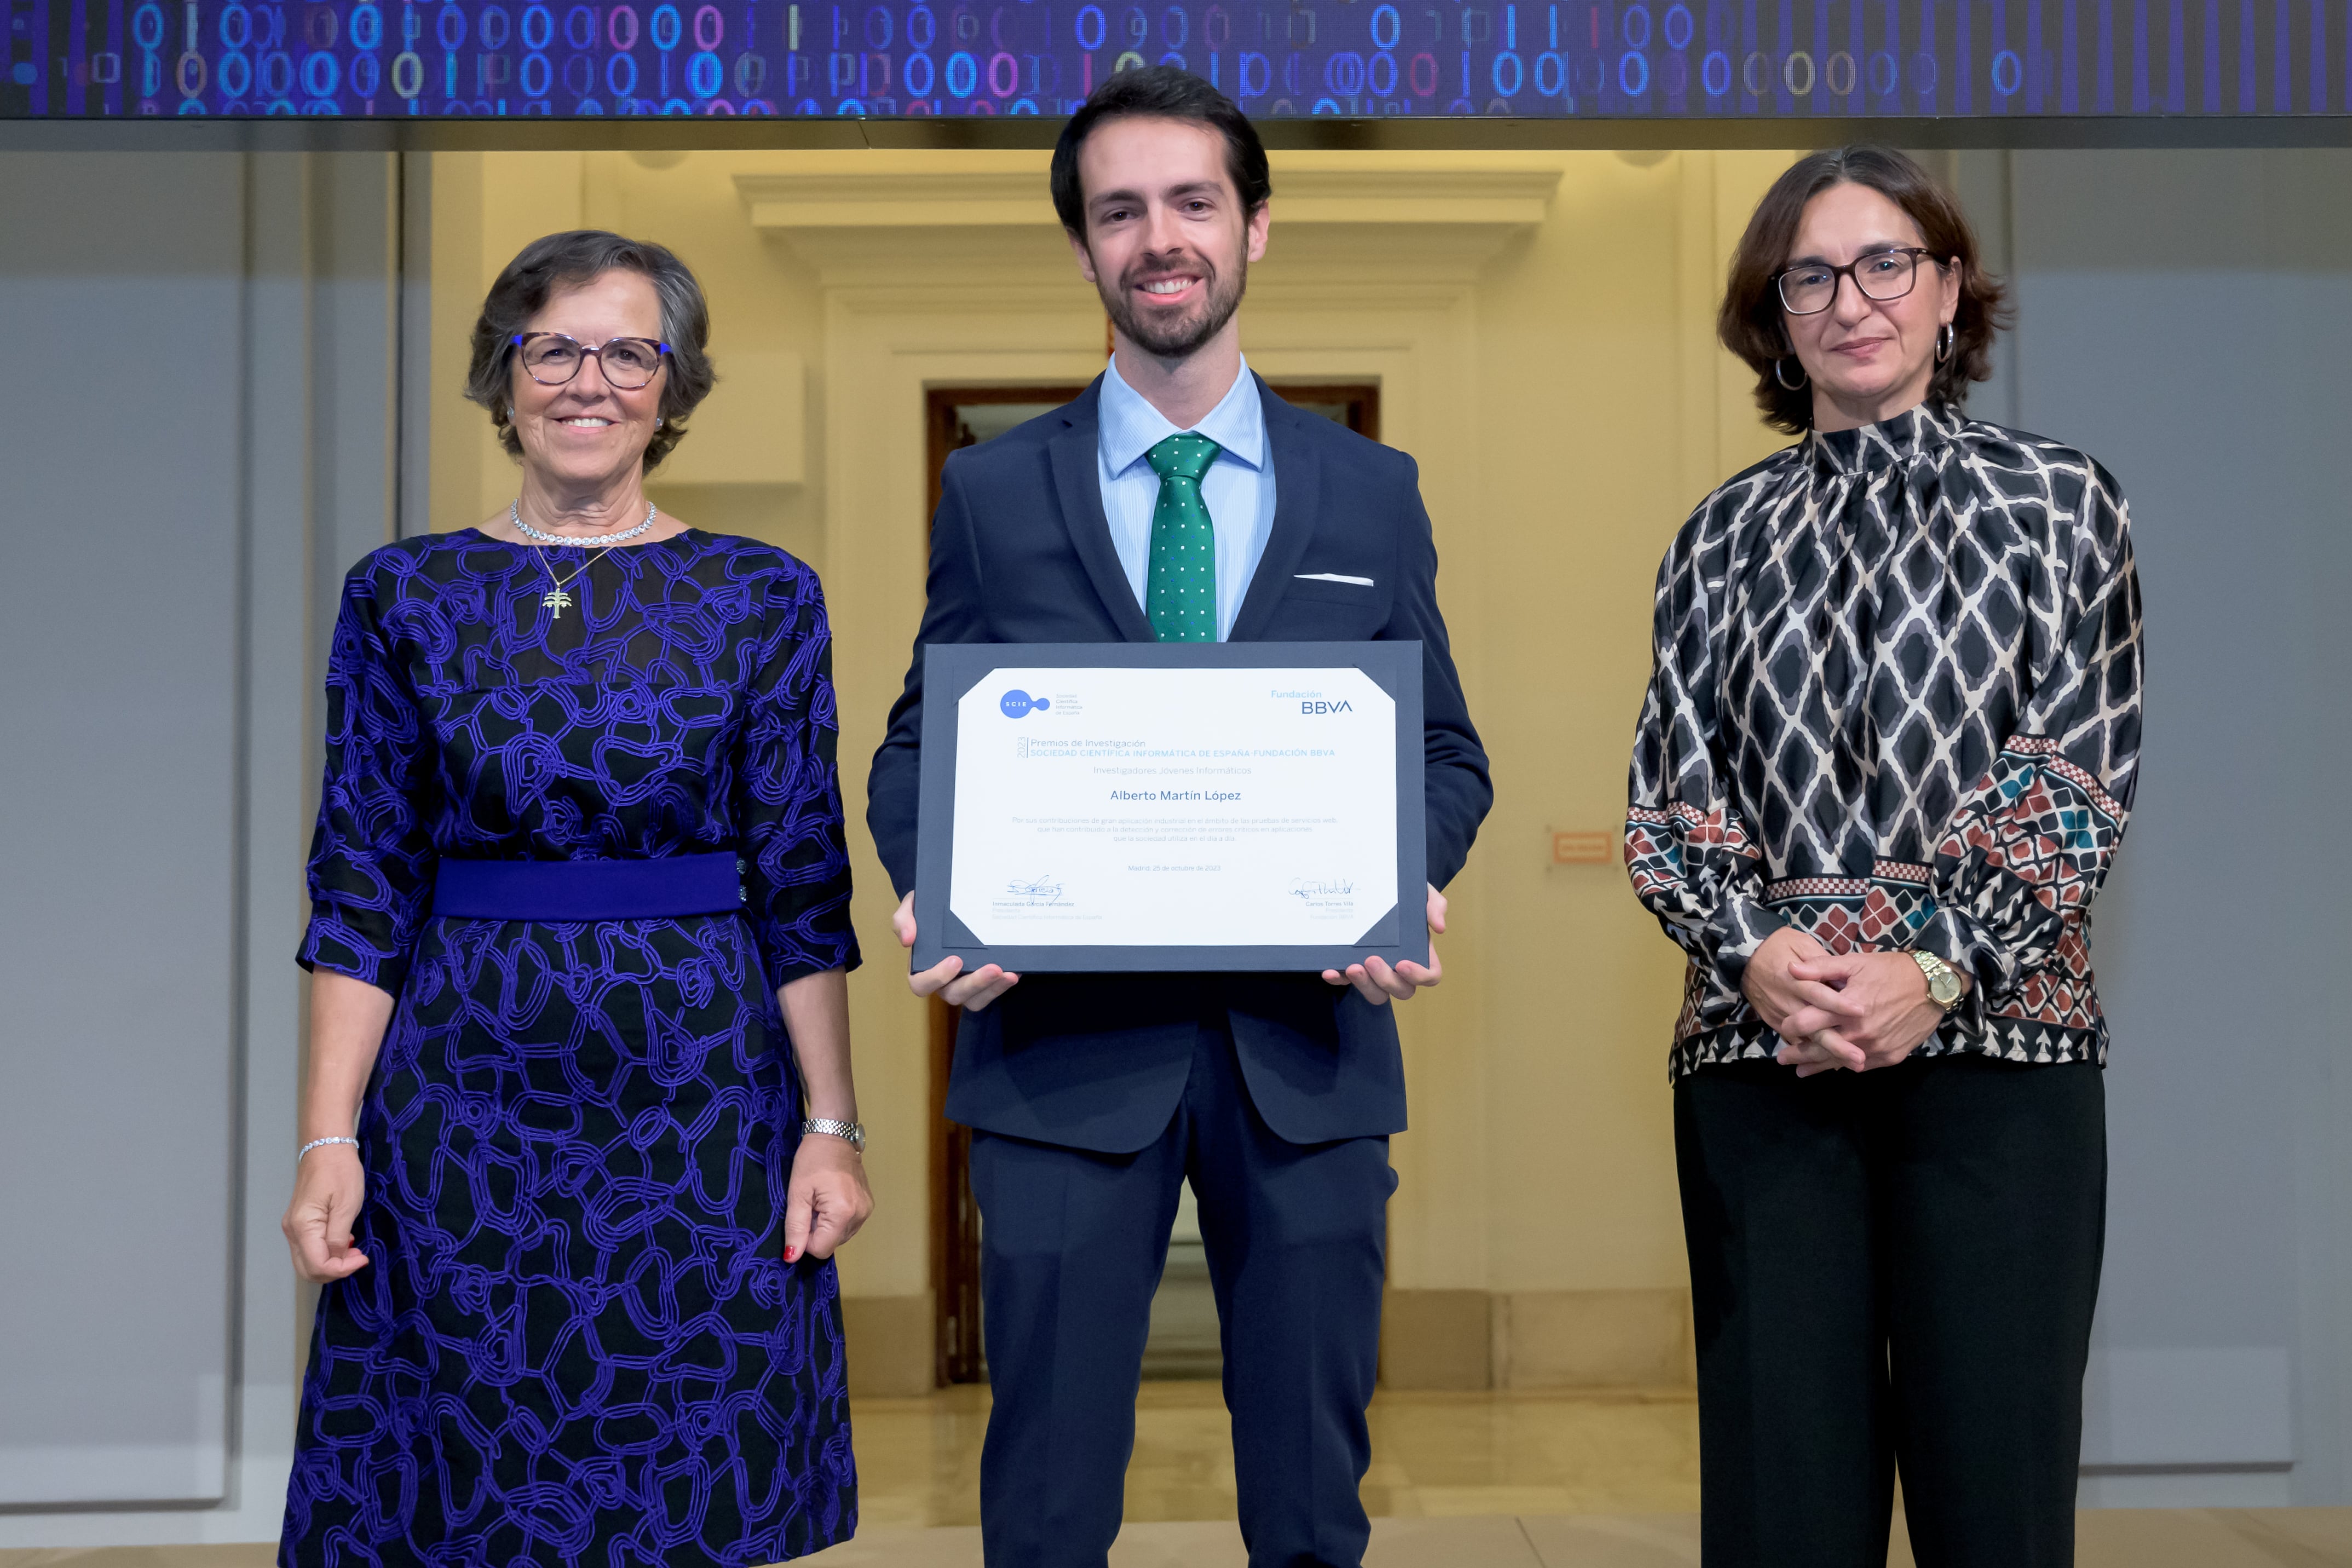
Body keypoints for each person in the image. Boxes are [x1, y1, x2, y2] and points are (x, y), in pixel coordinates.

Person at [866, 67, 1490, 1568]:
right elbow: (918, 747)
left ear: (1257, 227)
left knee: (1310, 1499)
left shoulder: (1373, 489)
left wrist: (1406, 875)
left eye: (1194, 202)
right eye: (1120, 210)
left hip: (1309, 1057)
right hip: (1061, 1060)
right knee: (1048, 1498)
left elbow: (1447, 755)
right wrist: (939, 887)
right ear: (1083, 247)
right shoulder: (992, 490)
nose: (1162, 238)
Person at [277, 230, 870, 1568]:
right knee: (462, 1477)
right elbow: (361, 882)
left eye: (627, 351)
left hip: (704, 1100)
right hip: (462, 1098)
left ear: (673, 384)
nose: (586, 380)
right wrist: (328, 1142)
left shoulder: (762, 594)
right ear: (504, 373)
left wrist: (831, 1124)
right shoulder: (403, 595)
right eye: (552, 348)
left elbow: (802, 878)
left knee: (691, 1471)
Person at [1625, 147, 2143, 1567]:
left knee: (1998, 1504)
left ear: (1950, 288)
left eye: (1886, 264)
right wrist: (1756, 952)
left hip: (2005, 1069)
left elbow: (2079, 778)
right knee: (1786, 1511)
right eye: (1811, 274)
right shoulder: (1716, 541)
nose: (1851, 300)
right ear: (1775, 315)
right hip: (1763, 1066)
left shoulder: (2062, 503)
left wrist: (1940, 964)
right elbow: (1672, 800)